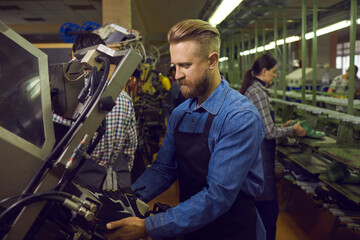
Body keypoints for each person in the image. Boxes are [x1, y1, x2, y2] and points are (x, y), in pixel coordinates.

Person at [106, 19, 266, 240]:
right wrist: (124, 199)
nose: (177, 75)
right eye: (175, 66)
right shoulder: (181, 114)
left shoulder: (239, 117)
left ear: (212, 60)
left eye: (185, 66)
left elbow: (218, 196)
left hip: (231, 229)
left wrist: (149, 226)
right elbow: (163, 169)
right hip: (192, 226)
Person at [53, 33, 138, 189]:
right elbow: (129, 149)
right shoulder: (124, 98)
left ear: (76, 57)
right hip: (113, 183)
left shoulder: (69, 98)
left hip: (76, 183)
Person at [239, 53, 306, 240]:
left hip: (257, 159)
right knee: (268, 213)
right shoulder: (258, 93)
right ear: (264, 71)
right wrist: (293, 130)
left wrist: (283, 127)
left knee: (262, 213)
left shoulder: (253, 90)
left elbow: (263, 126)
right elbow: (268, 132)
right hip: (260, 161)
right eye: (274, 72)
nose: (275, 76)